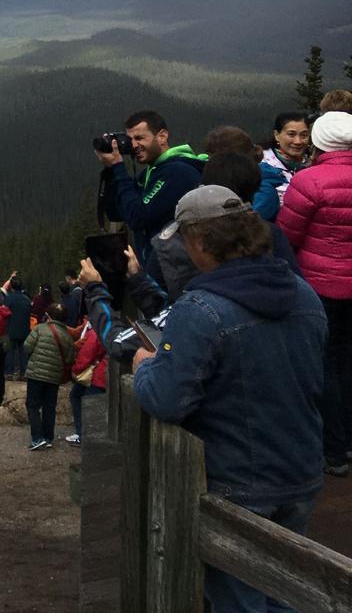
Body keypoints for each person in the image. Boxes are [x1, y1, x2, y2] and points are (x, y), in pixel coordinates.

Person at [129, 186, 325, 613]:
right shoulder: (304, 294)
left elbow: (166, 400)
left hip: (237, 480)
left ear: (199, 240)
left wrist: (143, 367)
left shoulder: (201, 309)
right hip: (302, 470)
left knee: (239, 601)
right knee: (286, 593)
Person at [277, 110, 352, 476]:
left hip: (321, 288)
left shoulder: (308, 181)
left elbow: (287, 237)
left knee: (326, 364)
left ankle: (335, 451)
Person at [96, 109, 205, 263]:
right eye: (130, 140)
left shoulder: (178, 172)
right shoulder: (148, 174)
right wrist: (111, 170)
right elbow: (116, 212)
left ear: (162, 136)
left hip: (176, 271)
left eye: (139, 138)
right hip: (158, 268)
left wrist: (118, 168)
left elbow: (138, 218)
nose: (133, 145)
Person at [23, 302, 75, 450]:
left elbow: (27, 346)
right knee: (49, 407)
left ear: (48, 315)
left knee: (32, 406)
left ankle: (37, 438)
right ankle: (48, 437)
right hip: (54, 376)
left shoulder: (39, 328)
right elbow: (70, 359)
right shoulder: (67, 336)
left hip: (36, 374)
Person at [66, 316, 108, 447]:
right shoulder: (108, 330)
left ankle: (84, 435)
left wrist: (75, 369)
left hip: (98, 374)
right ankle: (83, 434)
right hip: (103, 371)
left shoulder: (95, 333)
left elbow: (87, 353)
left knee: (83, 400)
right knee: (78, 396)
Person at [261, 111, 311, 199]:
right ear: (277, 135)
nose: (298, 141)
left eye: (304, 135)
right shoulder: (261, 164)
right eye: (291, 134)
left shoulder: (313, 165)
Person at [3, 278, 33, 380]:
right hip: (24, 329)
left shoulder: (8, 298)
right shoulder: (27, 299)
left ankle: (9, 373)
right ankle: (24, 373)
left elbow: (4, 313)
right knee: (23, 352)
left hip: (10, 328)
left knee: (9, 351)